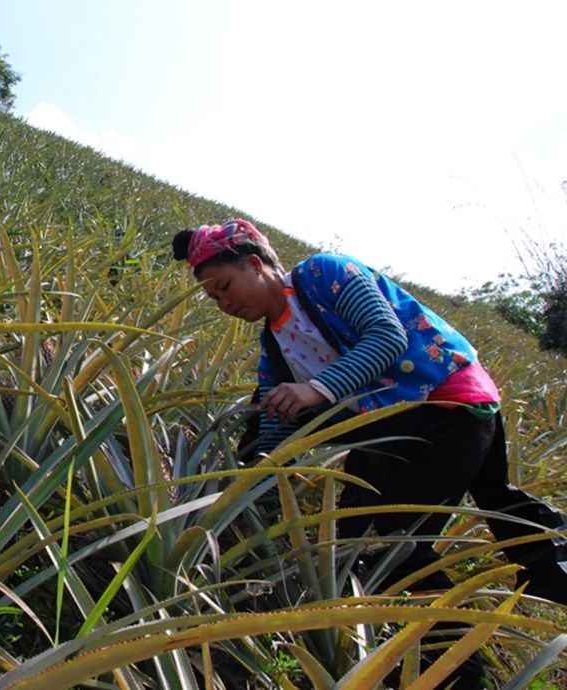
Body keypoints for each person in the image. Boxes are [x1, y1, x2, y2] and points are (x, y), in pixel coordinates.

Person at [171, 220, 567, 604]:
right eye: (215, 299)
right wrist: (254, 495)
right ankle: (550, 580)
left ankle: (456, 667)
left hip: (448, 403)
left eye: (225, 287)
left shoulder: (322, 273)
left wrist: (316, 389)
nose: (225, 303)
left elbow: (387, 334)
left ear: (255, 265)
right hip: (390, 423)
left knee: (391, 547)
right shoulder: (275, 345)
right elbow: (275, 425)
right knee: (362, 537)